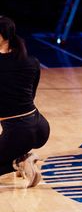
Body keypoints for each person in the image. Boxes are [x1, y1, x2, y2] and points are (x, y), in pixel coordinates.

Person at [0, 16, 50, 188]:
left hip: (18, 130)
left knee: (9, 148)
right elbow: (32, 95)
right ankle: (19, 153)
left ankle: (20, 161)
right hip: (40, 127)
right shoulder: (32, 62)